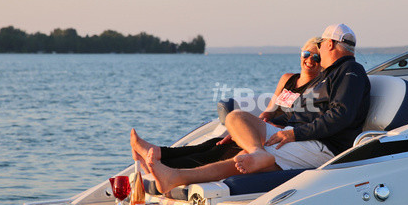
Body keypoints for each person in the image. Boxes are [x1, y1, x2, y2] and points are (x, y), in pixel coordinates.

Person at [132, 24, 370, 194]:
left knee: (238, 141)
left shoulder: (350, 71)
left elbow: (341, 115)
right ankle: (174, 176)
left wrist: (293, 133)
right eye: (307, 53)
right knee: (238, 135)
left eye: (319, 49)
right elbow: (298, 113)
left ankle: (174, 168)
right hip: (301, 137)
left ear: (329, 44)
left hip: (321, 146)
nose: (313, 57)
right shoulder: (328, 76)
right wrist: (273, 127)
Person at [131, 37, 323, 170]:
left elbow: (300, 122)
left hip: (279, 135)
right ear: (300, 54)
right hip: (265, 127)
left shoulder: (318, 88)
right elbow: (269, 111)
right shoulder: (287, 79)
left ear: (322, 63)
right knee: (215, 142)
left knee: (222, 150)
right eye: (307, 53)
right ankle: (158, 153)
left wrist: (267, 128)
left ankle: (163, 164)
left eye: (316, 57)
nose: (309, 60)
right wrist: (255, 125)